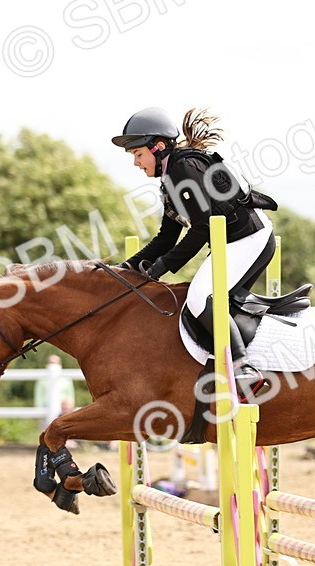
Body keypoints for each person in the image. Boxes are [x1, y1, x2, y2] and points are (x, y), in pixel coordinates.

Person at [111, 107, 279, 401]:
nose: (136, 163)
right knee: (203, 296)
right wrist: (128, 268)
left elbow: (201, 229)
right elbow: (167, 236)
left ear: (158, 147)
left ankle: (243, 368)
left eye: (138, 154)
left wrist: (160, 268)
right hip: (232, 242)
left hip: (249, 239)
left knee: (202, 297)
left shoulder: (183, 168)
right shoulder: (170, 179)